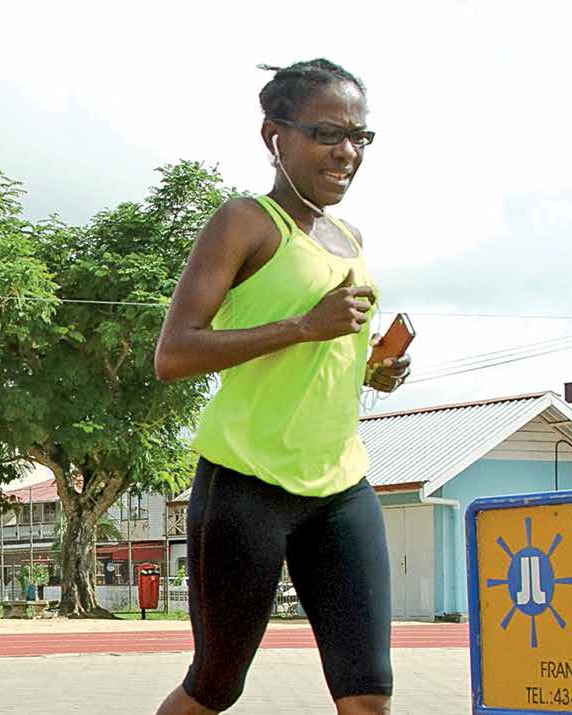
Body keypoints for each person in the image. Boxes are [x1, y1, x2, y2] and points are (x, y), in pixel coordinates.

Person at [153, 59, 410, 715]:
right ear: (274, 135)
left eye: (360, 136)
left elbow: (330, 354)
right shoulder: (245, 221)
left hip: (338, 485)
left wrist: (374, 368)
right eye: (327, 133)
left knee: (367, 696)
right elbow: (174, 351)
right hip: (245, 482)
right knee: (215, 685)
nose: (347, 152)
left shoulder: (350, 238)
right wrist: (301, 325)